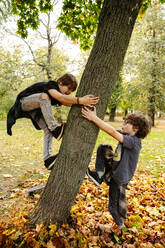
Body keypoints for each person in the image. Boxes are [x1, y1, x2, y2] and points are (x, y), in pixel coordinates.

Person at [7, 73, 99, 170]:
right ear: (60, 82)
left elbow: (66, 102)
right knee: (44, 97)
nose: (69, 92)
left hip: (34, 110)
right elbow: (61, 98)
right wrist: (80, 100)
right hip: (24, 102)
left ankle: (48, 160)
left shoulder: (59, 93)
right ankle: (55, 129)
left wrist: (85, 104)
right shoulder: (51, 85)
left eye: (71, 91)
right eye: (68, 88)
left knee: (47, 130)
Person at [81, 107, 151, 231]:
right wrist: (96, 118)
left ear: (135, 128)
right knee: (103, 148)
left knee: (113, 207)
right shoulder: (126, 135)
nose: (122, 125)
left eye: (126, 123)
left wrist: (94, 118)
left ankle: (122, 229)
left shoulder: (134, 142)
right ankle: (98, 176)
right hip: (113, 170)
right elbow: (109, 129)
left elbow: (113, 132)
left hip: (118, 178)